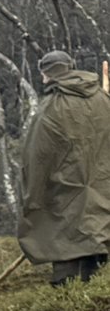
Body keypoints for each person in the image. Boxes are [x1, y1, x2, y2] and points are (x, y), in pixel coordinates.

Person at [19, 49, 110, 285]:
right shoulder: (103, 99)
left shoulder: (51, 108)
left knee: (66, 268)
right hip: (102, 199)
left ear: (46, 74)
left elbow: (36, 160)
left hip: (65, 200)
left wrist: (32, 201)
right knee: (97, 269)